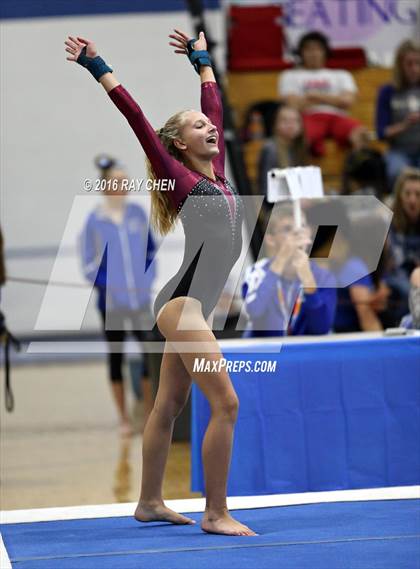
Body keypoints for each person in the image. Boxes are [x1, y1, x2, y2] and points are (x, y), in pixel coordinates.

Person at [65, 29, 257, 536]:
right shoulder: (177, 175)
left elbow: (213, 105)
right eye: (199, 127)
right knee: (227, 403)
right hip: (182, 302)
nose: (210, 128)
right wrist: (96, 64)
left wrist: (203, 63)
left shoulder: (213, 170)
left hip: (193, 301)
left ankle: (149, 501)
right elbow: (136, 121)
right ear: (177, 143)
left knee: (168, 404)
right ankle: (215, 512)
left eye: (209, 125)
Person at [80, 155, 157, 437]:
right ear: (104, 187)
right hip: (111, 303)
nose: (122, 187)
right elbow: (89, 264)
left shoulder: (137, 214)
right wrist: (108, 285)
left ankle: (149, 413)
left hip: (139, 300)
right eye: (116, 182)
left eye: (125, 182)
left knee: (150, 354)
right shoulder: (94, 221)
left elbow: (151, 253)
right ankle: (123, 418)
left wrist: (145, 282)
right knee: (116, 357)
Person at [242, 203, 336, 337]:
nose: (297, 234)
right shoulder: (257, 271)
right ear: (270, 239)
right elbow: (255, 311)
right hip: (268, 353)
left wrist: (308, 279)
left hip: (305, 353)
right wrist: (281, 260)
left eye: (302, 227)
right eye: (287, 229)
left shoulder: (323, 276)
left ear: (309, 233)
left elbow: (321, 329)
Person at [278, 31, 368, 157]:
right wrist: (334, 100)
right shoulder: (290, 75)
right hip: (307, 118)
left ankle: (357, 170)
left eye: (318, 49)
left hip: (337, 117)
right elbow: (293, 104)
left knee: (361, 134)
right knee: (297, 136)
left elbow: (347, 101)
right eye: (308, 49)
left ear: (325, 52)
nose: (313, 53)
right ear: (301, 53)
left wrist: (314, 96)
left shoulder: (341, 74)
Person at [376, 40, 420, 187]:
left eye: (418, 63)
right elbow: (382, 133)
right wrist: (405, 124)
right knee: (397, 173)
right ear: (400, 65)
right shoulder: (387, 91)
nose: (414, 69)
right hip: (399, 151)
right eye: (409, 64)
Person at [257, 104, 307, 203]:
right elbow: (267, 190)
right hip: (278, 206)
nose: (290, 124)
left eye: (295, 121)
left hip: (295, 202)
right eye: (284, 120)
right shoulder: (271, 149)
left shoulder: (300, 147)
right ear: (275, 124)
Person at [387, 168, 420, 301]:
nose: (412, 200)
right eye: (407, 194)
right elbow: (393, 265)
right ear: (399, 196)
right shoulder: (388, 220)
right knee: (408, 290)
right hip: (396, 277)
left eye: (418, 194)